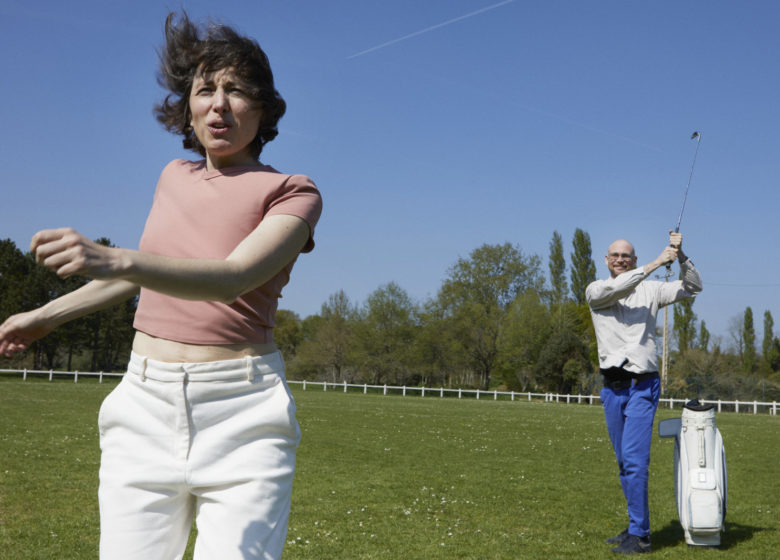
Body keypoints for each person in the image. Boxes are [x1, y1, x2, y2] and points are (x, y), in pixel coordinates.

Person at [0, 12, 322, 560]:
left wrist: (114, 257)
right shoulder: (173, 176)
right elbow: (142, 276)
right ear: (187, 107)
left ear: (264, 108)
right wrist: (43, 318)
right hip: (143, 404)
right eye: (206, 89)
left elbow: (233, 278)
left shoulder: (294, 193)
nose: (219, 105)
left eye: (237, 90)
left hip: (242, 411)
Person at [586, 231, 702, 555]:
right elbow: (620, 288)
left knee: (635, 463)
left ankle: (640, 535)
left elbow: (693, 286)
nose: (620, 260)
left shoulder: (651, 290)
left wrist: (680, 255)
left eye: (627, 256)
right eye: (615, 255)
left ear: (633, 259)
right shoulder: (596, 290)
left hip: (642, 387)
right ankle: (634, 525)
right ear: (606, 260)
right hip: (612, 390)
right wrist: (655, 263)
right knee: (624, 464)